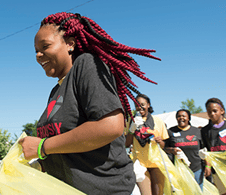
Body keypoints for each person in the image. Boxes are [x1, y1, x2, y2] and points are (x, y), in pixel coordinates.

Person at [18, 12, 161, 195]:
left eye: (45, 46)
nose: (38, 55)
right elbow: (68, 146)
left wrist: (42, 147)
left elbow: (110, 126)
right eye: (36, 50)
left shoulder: (86, 64)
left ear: (70, 44)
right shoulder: (56, 91)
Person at [125, 94, 169, 195]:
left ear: (148, 105)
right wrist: (132, 129)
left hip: (156, 163)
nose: (139, 107)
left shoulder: (158, 121)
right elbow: (127, 144)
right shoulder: (131, 121)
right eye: (136, 105)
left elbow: (163, 145)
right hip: (140, 164)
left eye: (142, 104)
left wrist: (160, 141)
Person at [164, 109, 204, 190]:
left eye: (184, 116)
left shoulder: (197, 131)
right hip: (179, 170)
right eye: (179, 116)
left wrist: (207, 166)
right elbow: (164, 148)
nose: (181, 118)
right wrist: (172, 150)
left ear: (188, 118)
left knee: (198, 192)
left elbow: (204, 149)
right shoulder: (171, 131)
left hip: (197, 168)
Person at [201, 98, 226, 195]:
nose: (212, 114)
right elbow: (207, 150)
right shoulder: (205, 130)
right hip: (218, 168)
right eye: (209, 112)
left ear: (222, 111)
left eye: (215, 111)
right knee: (224, 192)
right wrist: (207, 166)